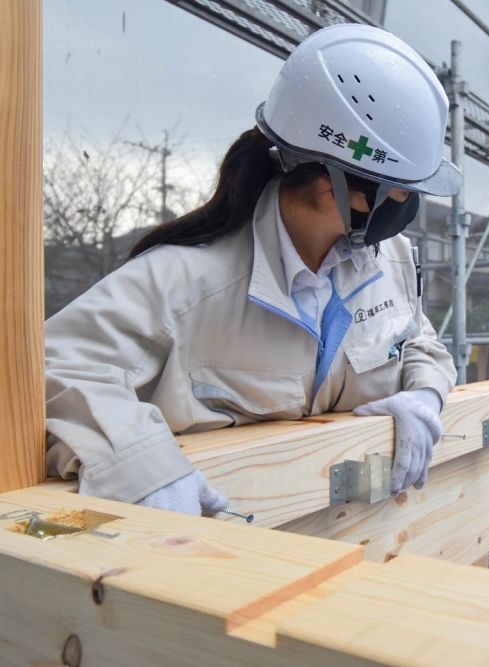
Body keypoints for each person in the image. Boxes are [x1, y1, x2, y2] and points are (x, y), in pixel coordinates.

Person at [44, 24, 460, 516]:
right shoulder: (184, 282)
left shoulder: (389, 261)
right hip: (229, 567)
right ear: (337, 187)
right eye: (402, 190)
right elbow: (52, 368)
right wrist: (141, 469)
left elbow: (416, 339)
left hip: (351, 551)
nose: (409, 204)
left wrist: (424, 394)